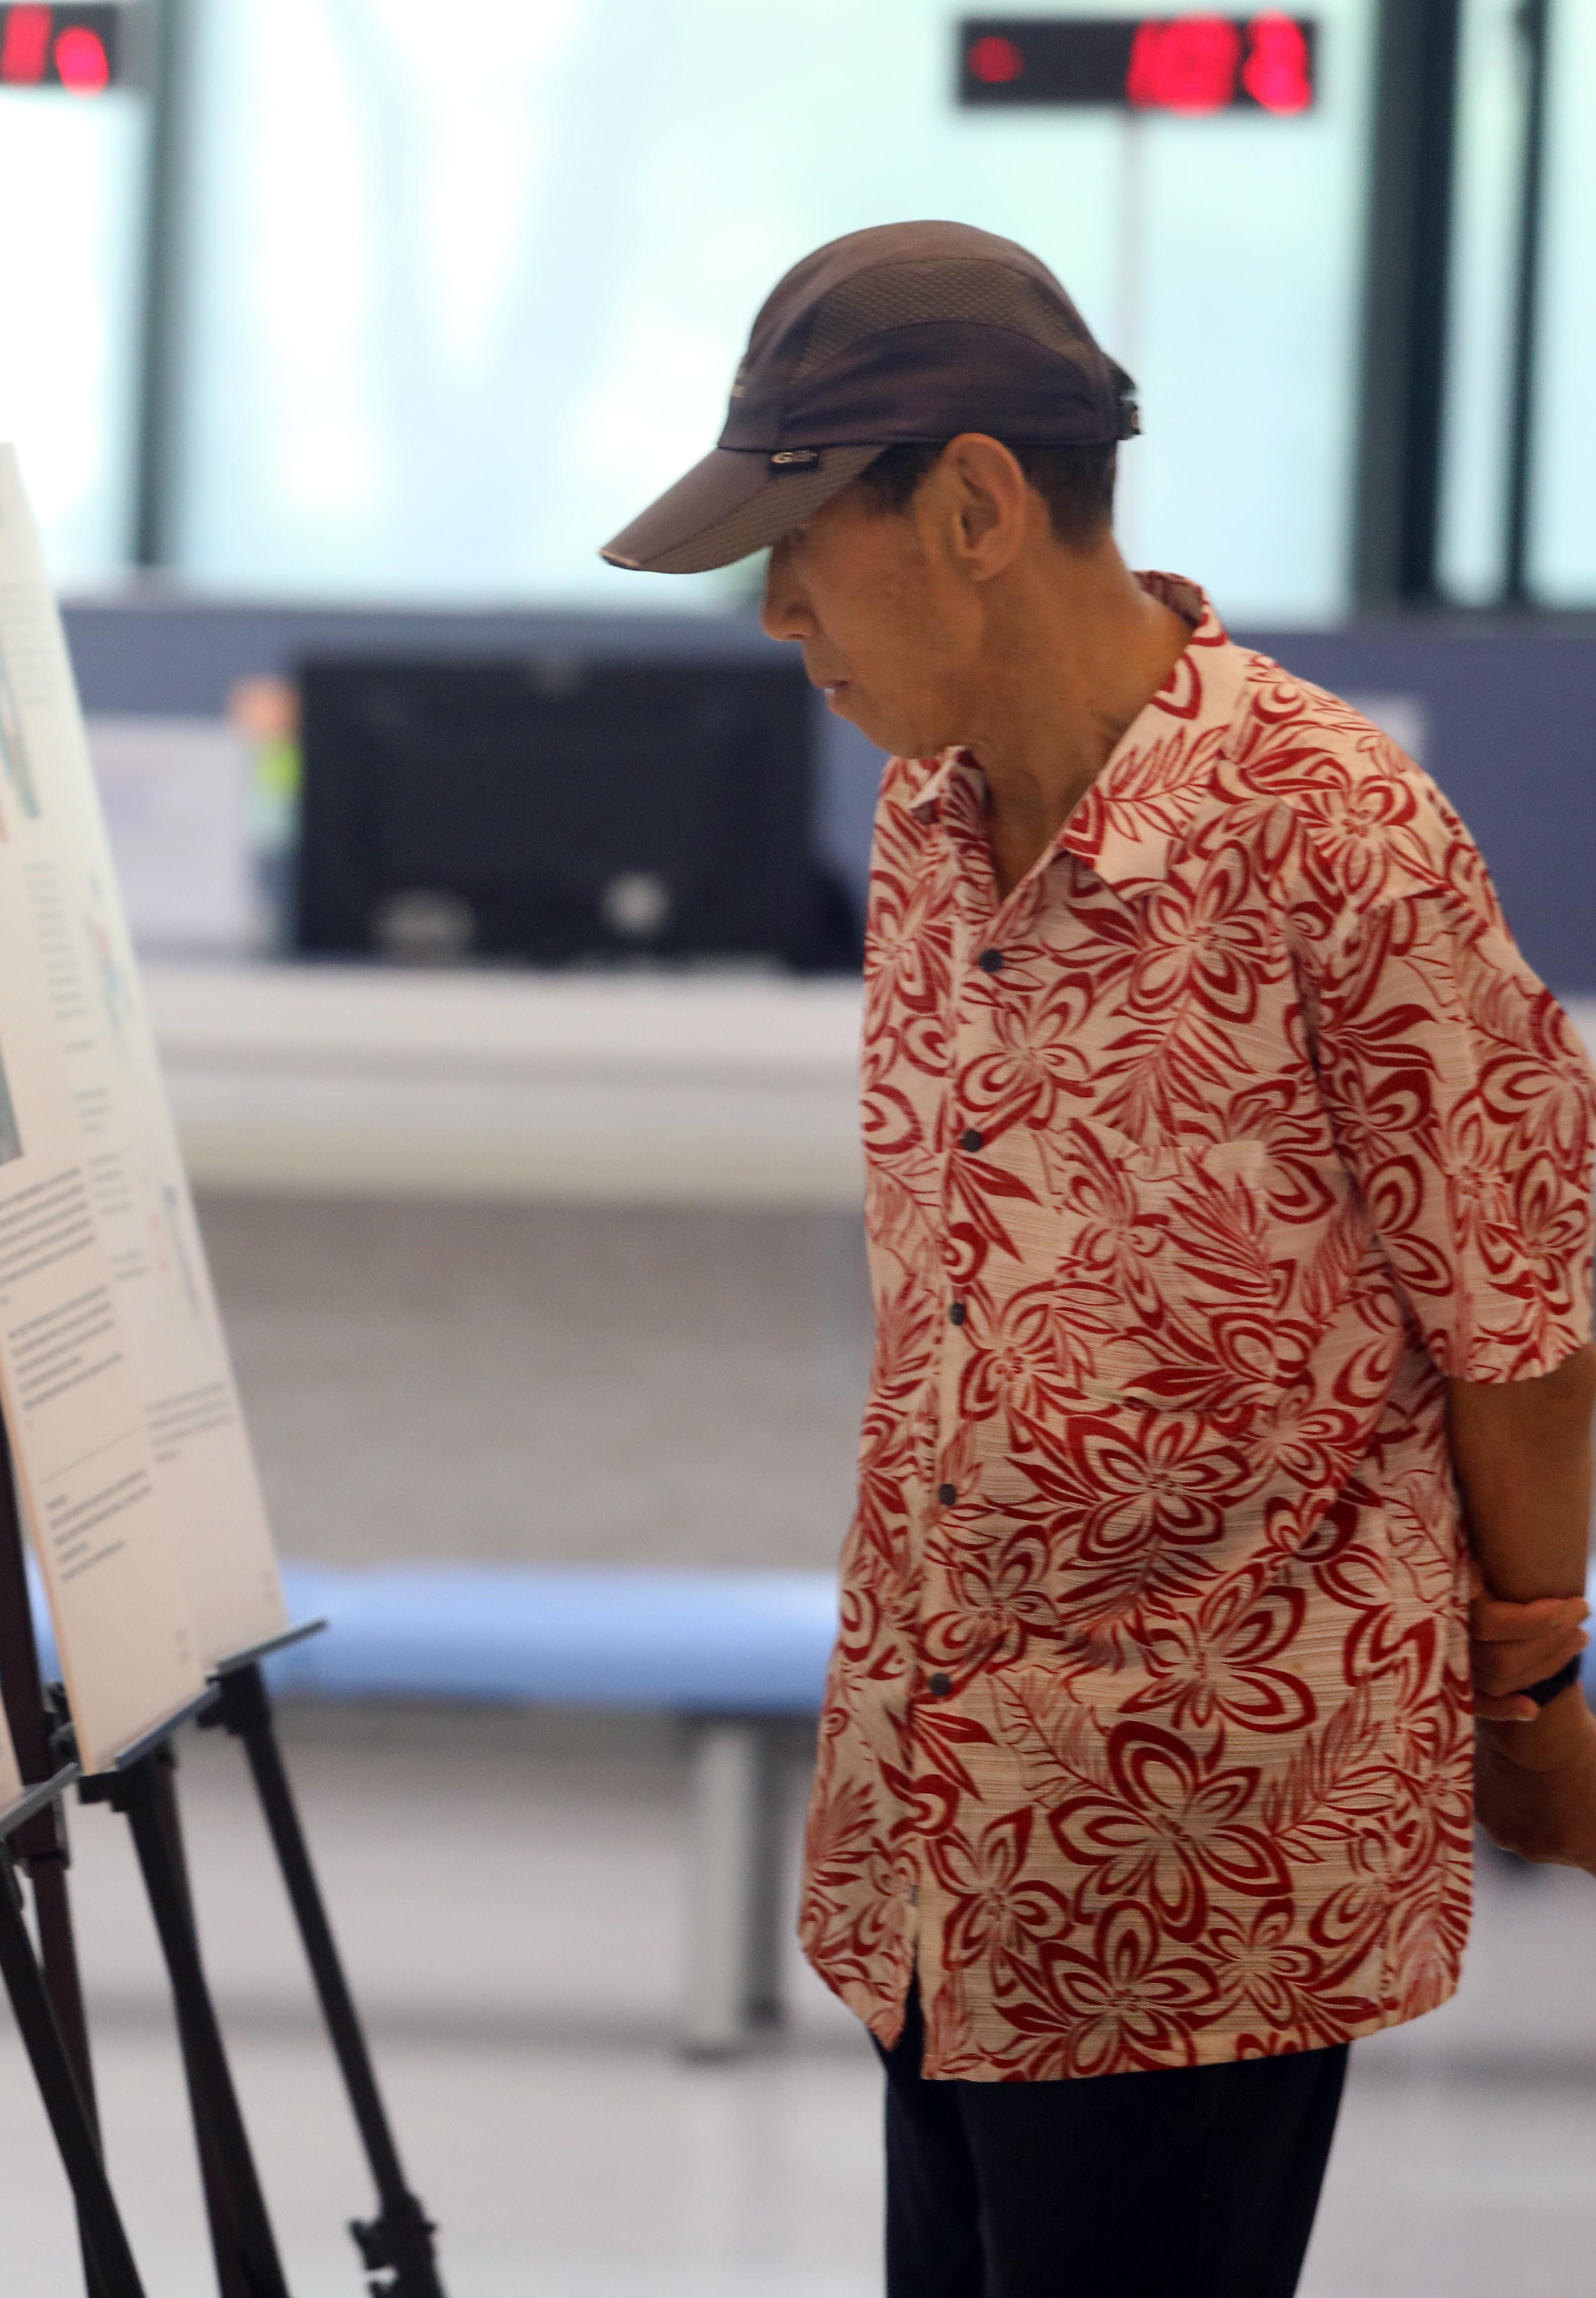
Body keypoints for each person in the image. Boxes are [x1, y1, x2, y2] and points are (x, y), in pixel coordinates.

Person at [603, 220, 1596, 2298]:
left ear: (966, 504)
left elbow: (1516, 1304)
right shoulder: (922, 820)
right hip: (939, 1828)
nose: (772, 607)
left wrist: (1531, 1676)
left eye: (799, 540)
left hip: (1199, 1849)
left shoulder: (1324, 824)